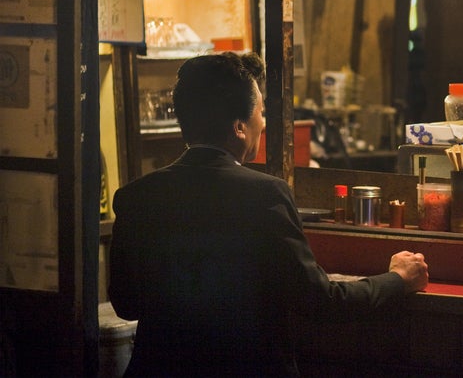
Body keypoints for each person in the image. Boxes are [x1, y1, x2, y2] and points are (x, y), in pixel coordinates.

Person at [109, 52, 428, 377]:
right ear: (239, 127)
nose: (263, 121)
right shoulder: (264, 194)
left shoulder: (136, 197)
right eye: (261, 111)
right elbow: (320, 301)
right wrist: (397, 279)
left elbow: (126, 303)